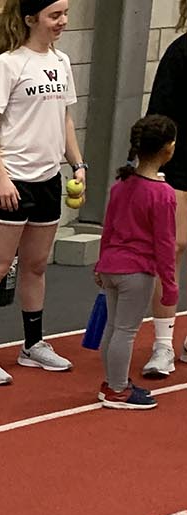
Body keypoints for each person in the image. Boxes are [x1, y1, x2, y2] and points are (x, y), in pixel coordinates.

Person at [0, 0, 84, 387]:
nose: (62, 21)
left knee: (36, 266)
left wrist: (77, 163)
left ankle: (33, 345)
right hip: (11, 179)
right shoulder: (7, 64)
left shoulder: (61, 62)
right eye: (55, 15)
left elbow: (64, 116)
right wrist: (0, 176)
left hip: (48, 180)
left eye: (65, 14)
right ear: (32, 18)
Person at [93, 115, 179, 410]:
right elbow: (165, 244)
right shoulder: (163, 194)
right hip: (136, 272)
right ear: (167, 150)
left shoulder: (122, 185)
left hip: (112, 265)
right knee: (126, 331)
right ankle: (117, 389)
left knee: (113, 328)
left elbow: (110, 227)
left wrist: (99, 264)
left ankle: (112, 381)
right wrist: (169, 284)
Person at [142, 0, 187, 378]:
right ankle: (161, 346)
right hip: (181, 163)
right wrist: (149, 166)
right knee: (172, 248)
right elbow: (158, 114)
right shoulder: (179, 53)